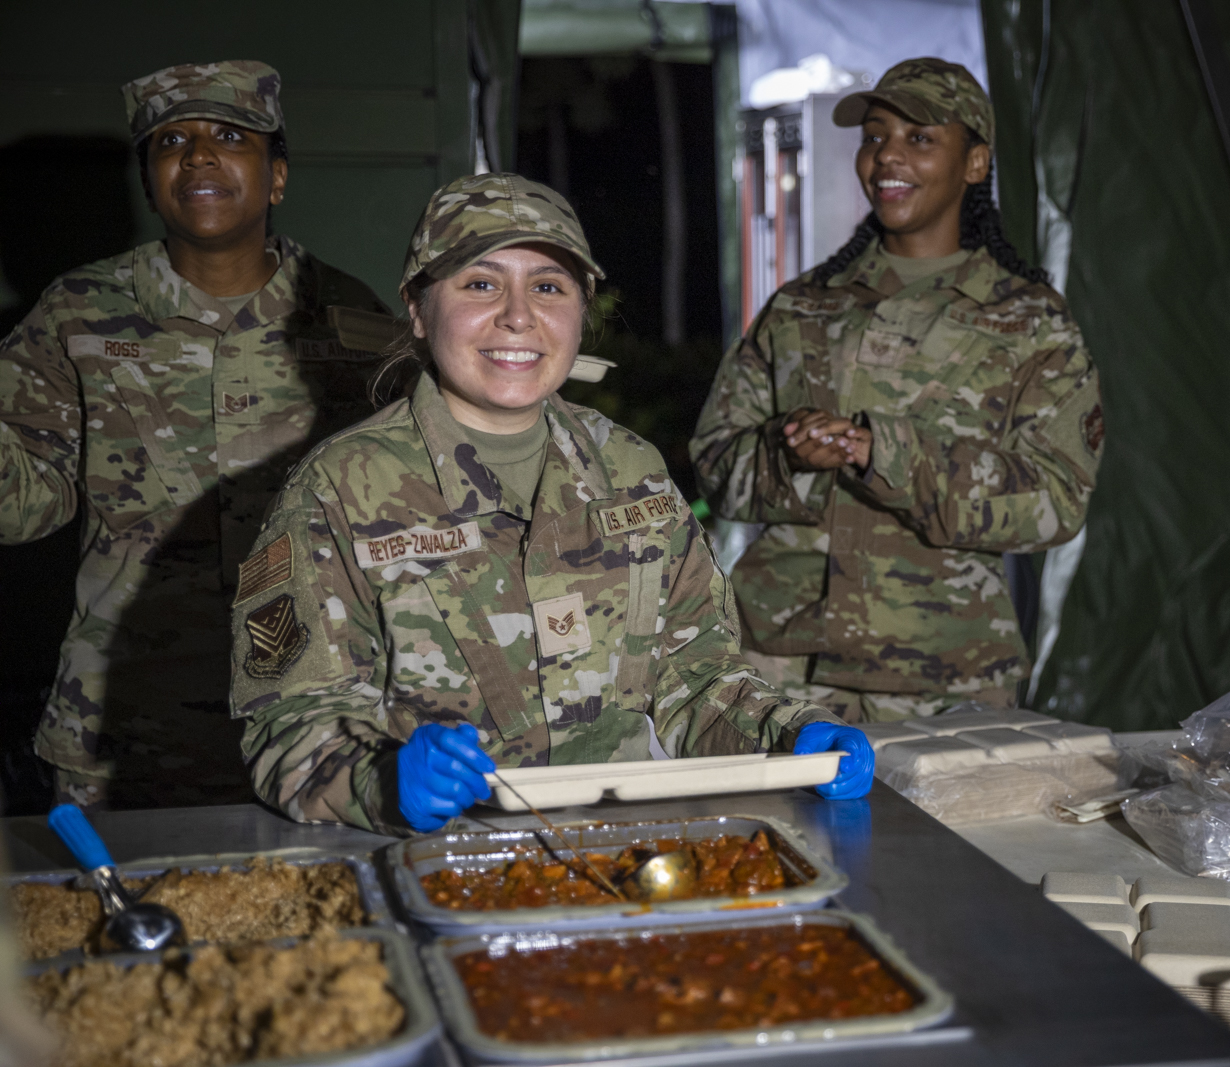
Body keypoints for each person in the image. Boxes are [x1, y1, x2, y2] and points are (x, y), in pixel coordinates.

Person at [229, 174, 872, 834]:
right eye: (480, 283)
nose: (518, 315)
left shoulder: (632, 472)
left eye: (548, 286)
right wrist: (381, 780)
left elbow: (694, 676)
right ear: (419, 310)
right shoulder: (339, 489)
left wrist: (791, 733)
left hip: (623, 857)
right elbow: (289, 721)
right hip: (432, 866)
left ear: (580, 310)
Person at [0, 61, 393, 810]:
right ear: (151, 182)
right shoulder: (77, 314)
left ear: (276, 176)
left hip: (311, 726)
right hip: (125, 728)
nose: (199, 154)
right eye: (170, 140)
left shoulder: (350, 322)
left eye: (230, 135)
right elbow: (27, 505)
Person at [690, 57, 1102, 723]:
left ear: (974, 163)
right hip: (775, 664)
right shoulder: (802, 306)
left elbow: (1057, 502)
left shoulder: (1029, 322)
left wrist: (886, 454)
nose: (887, 158)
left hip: (940, 675)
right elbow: (715, 463)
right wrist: (786, 455)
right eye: (875, 136)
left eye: (920, 138)